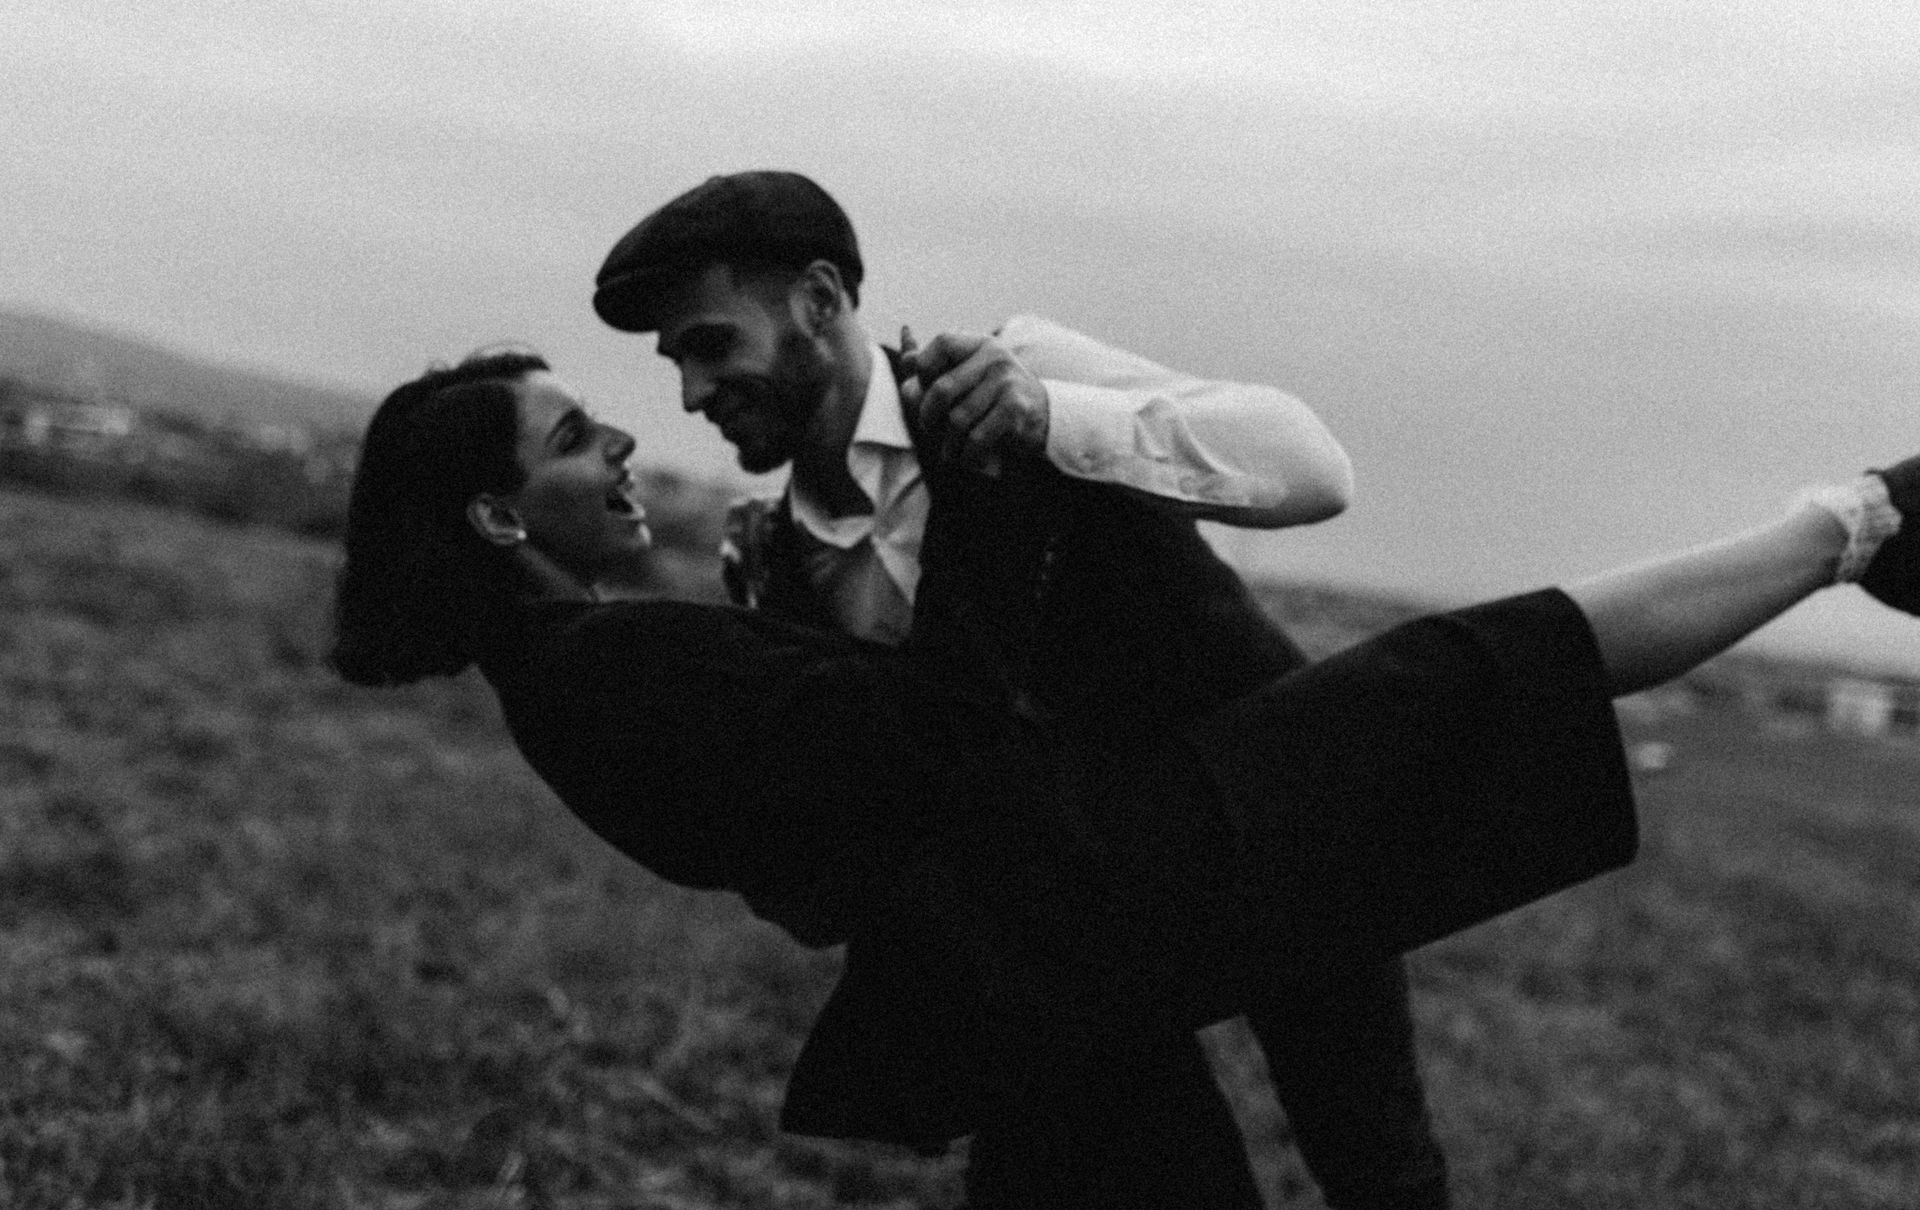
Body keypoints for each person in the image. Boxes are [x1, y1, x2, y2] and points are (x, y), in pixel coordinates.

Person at [333, 350, 1920, 1208]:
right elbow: (930, 739)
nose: (629, 440)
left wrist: (786, 629)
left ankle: (1857, 526)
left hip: (1034, 966)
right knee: (1482, 668)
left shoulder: (577, 675)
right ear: (498, 518)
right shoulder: (603, 668)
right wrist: (996, 484)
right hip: (1109, 892)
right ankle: (1858, 522)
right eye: (574, 437)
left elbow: (829, 802)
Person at [590, 170, 1444, 1209]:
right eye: (677, 361)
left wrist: (1052, 417)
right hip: (1085, 940)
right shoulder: (781, 566)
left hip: (1273, 829)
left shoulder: (1021, 369)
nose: (691, 392)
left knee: (1380, 1167)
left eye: (711, 344)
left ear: (818, 298)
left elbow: (1314, 467)